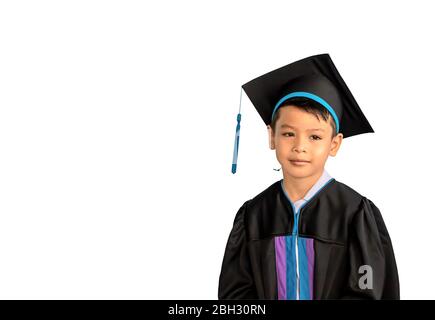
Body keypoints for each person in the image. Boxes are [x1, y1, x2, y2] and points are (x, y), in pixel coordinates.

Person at [219, 53, 400, 300]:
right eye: (288, 134)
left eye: (314, 137)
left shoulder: (355, 214)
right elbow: (235, 294)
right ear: (272, 137)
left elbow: (368, 293)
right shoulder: (254, 216)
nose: (299, 147)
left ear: (334, 144)